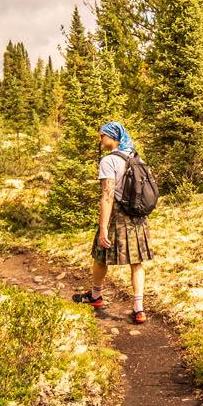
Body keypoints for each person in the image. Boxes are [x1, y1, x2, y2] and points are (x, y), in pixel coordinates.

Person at [73, 120, 152, 322]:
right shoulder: (136, 156)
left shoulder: (109, 161)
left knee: (100, 254)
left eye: (102, 135)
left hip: (118, 215)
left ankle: (96, 295)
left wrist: (103, 227)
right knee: (137, 261)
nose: (100, 139)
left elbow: (107, 195)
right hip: (138, 216)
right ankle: (138, 308)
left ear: (112, 137)